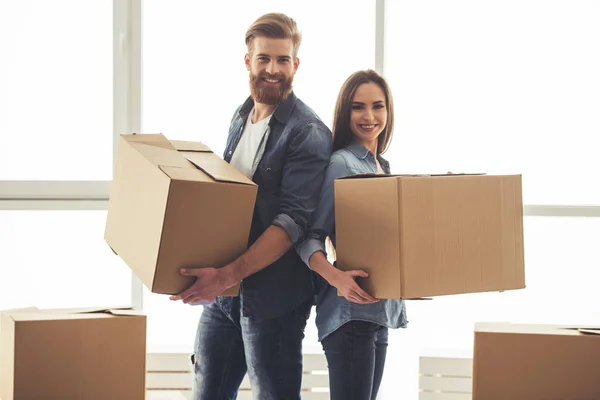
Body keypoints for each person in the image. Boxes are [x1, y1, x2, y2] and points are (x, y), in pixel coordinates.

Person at [169, 13, 333, 400]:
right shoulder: (241, 115)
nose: (273, 69)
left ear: (295, 64)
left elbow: (291, 222)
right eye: (264, 59)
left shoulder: (307, 133)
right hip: (226, 296)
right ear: (248, 61)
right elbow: (229, 203)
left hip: (273, 301)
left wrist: (226, 275)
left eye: (282, 60)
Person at [296, 69, 408, 400]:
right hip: (350, 317)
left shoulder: (382, 167)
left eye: (378, 106)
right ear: (345, 112)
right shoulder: (341, 164)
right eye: (358, 107)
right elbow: (308, 237)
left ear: (388, 111)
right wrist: (337, 278)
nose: (369, 116)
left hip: (380, 313)